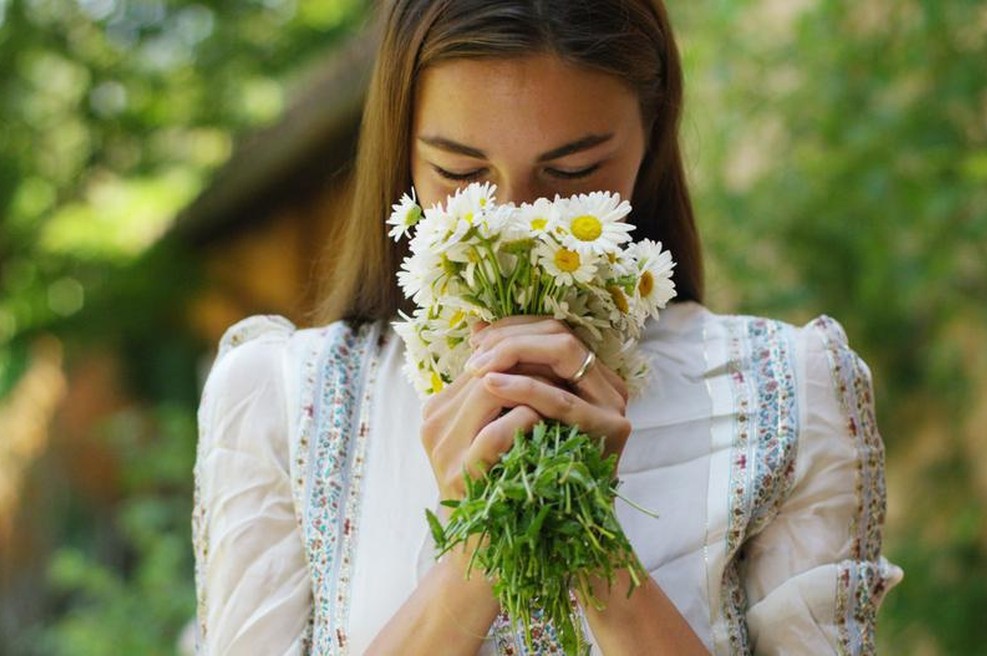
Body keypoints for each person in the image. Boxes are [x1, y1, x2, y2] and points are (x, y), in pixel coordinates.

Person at [192, 0, 902, 653]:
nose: (512, 223)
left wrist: (593, 547)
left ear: (650, 139)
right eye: (459, 171)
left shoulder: (788, 393)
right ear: (403, 155)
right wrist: (478, 545)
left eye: (571, 173)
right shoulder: (282, 402)